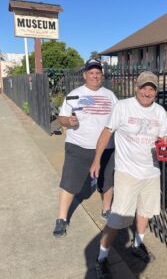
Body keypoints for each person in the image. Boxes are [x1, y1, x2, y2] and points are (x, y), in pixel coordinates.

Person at [90, 71, 167, 278]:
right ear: (137, 87)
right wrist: (97, 159)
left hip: (151, 172)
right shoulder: (123, 107)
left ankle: (138, 243)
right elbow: (106, 132)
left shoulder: (160, 111)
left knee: (145, 211)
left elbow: (164, 138)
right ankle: (101, 258)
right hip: (127, 173)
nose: (147, 92)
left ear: (156, 92)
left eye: (152, 88)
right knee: (117, 219)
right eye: (144, 87)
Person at [53, 59, 118, 238]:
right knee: (70, 182)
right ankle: (61, 218)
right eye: (91, 72)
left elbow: (118, 119)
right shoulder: (74, 94)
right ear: (84, 75)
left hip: (107, 147)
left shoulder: (110, 96)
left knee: (107, 180)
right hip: (79, 146)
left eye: (98, 72)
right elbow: (62, 118)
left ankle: (106, 209)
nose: (95, 75)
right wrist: (68, 121)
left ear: (102, 75)